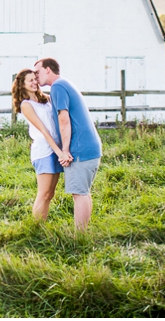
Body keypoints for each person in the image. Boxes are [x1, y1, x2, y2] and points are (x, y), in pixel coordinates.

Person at [34, 58, 102, 230]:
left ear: (48, 70)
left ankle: (80, 237)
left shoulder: (58, 87)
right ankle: (83, 233)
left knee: (79, 193)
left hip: (79, 149)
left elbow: (63, 120)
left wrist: (64, 150)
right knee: (83, 192)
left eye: (38, 72)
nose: (36, 76)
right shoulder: (65, 85)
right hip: (90, 147)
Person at [12, 68, 67, 221]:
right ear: (22, 85)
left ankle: (41, 223)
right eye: (30, 80)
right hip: (44, 151)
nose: (35, 82)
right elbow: (43, 130)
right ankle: (36, 226)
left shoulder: (47, 99)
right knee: (43, 193)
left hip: (56, 149)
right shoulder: (26, 105)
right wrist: (59, 152)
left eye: (35, 79)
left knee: (50, 194)